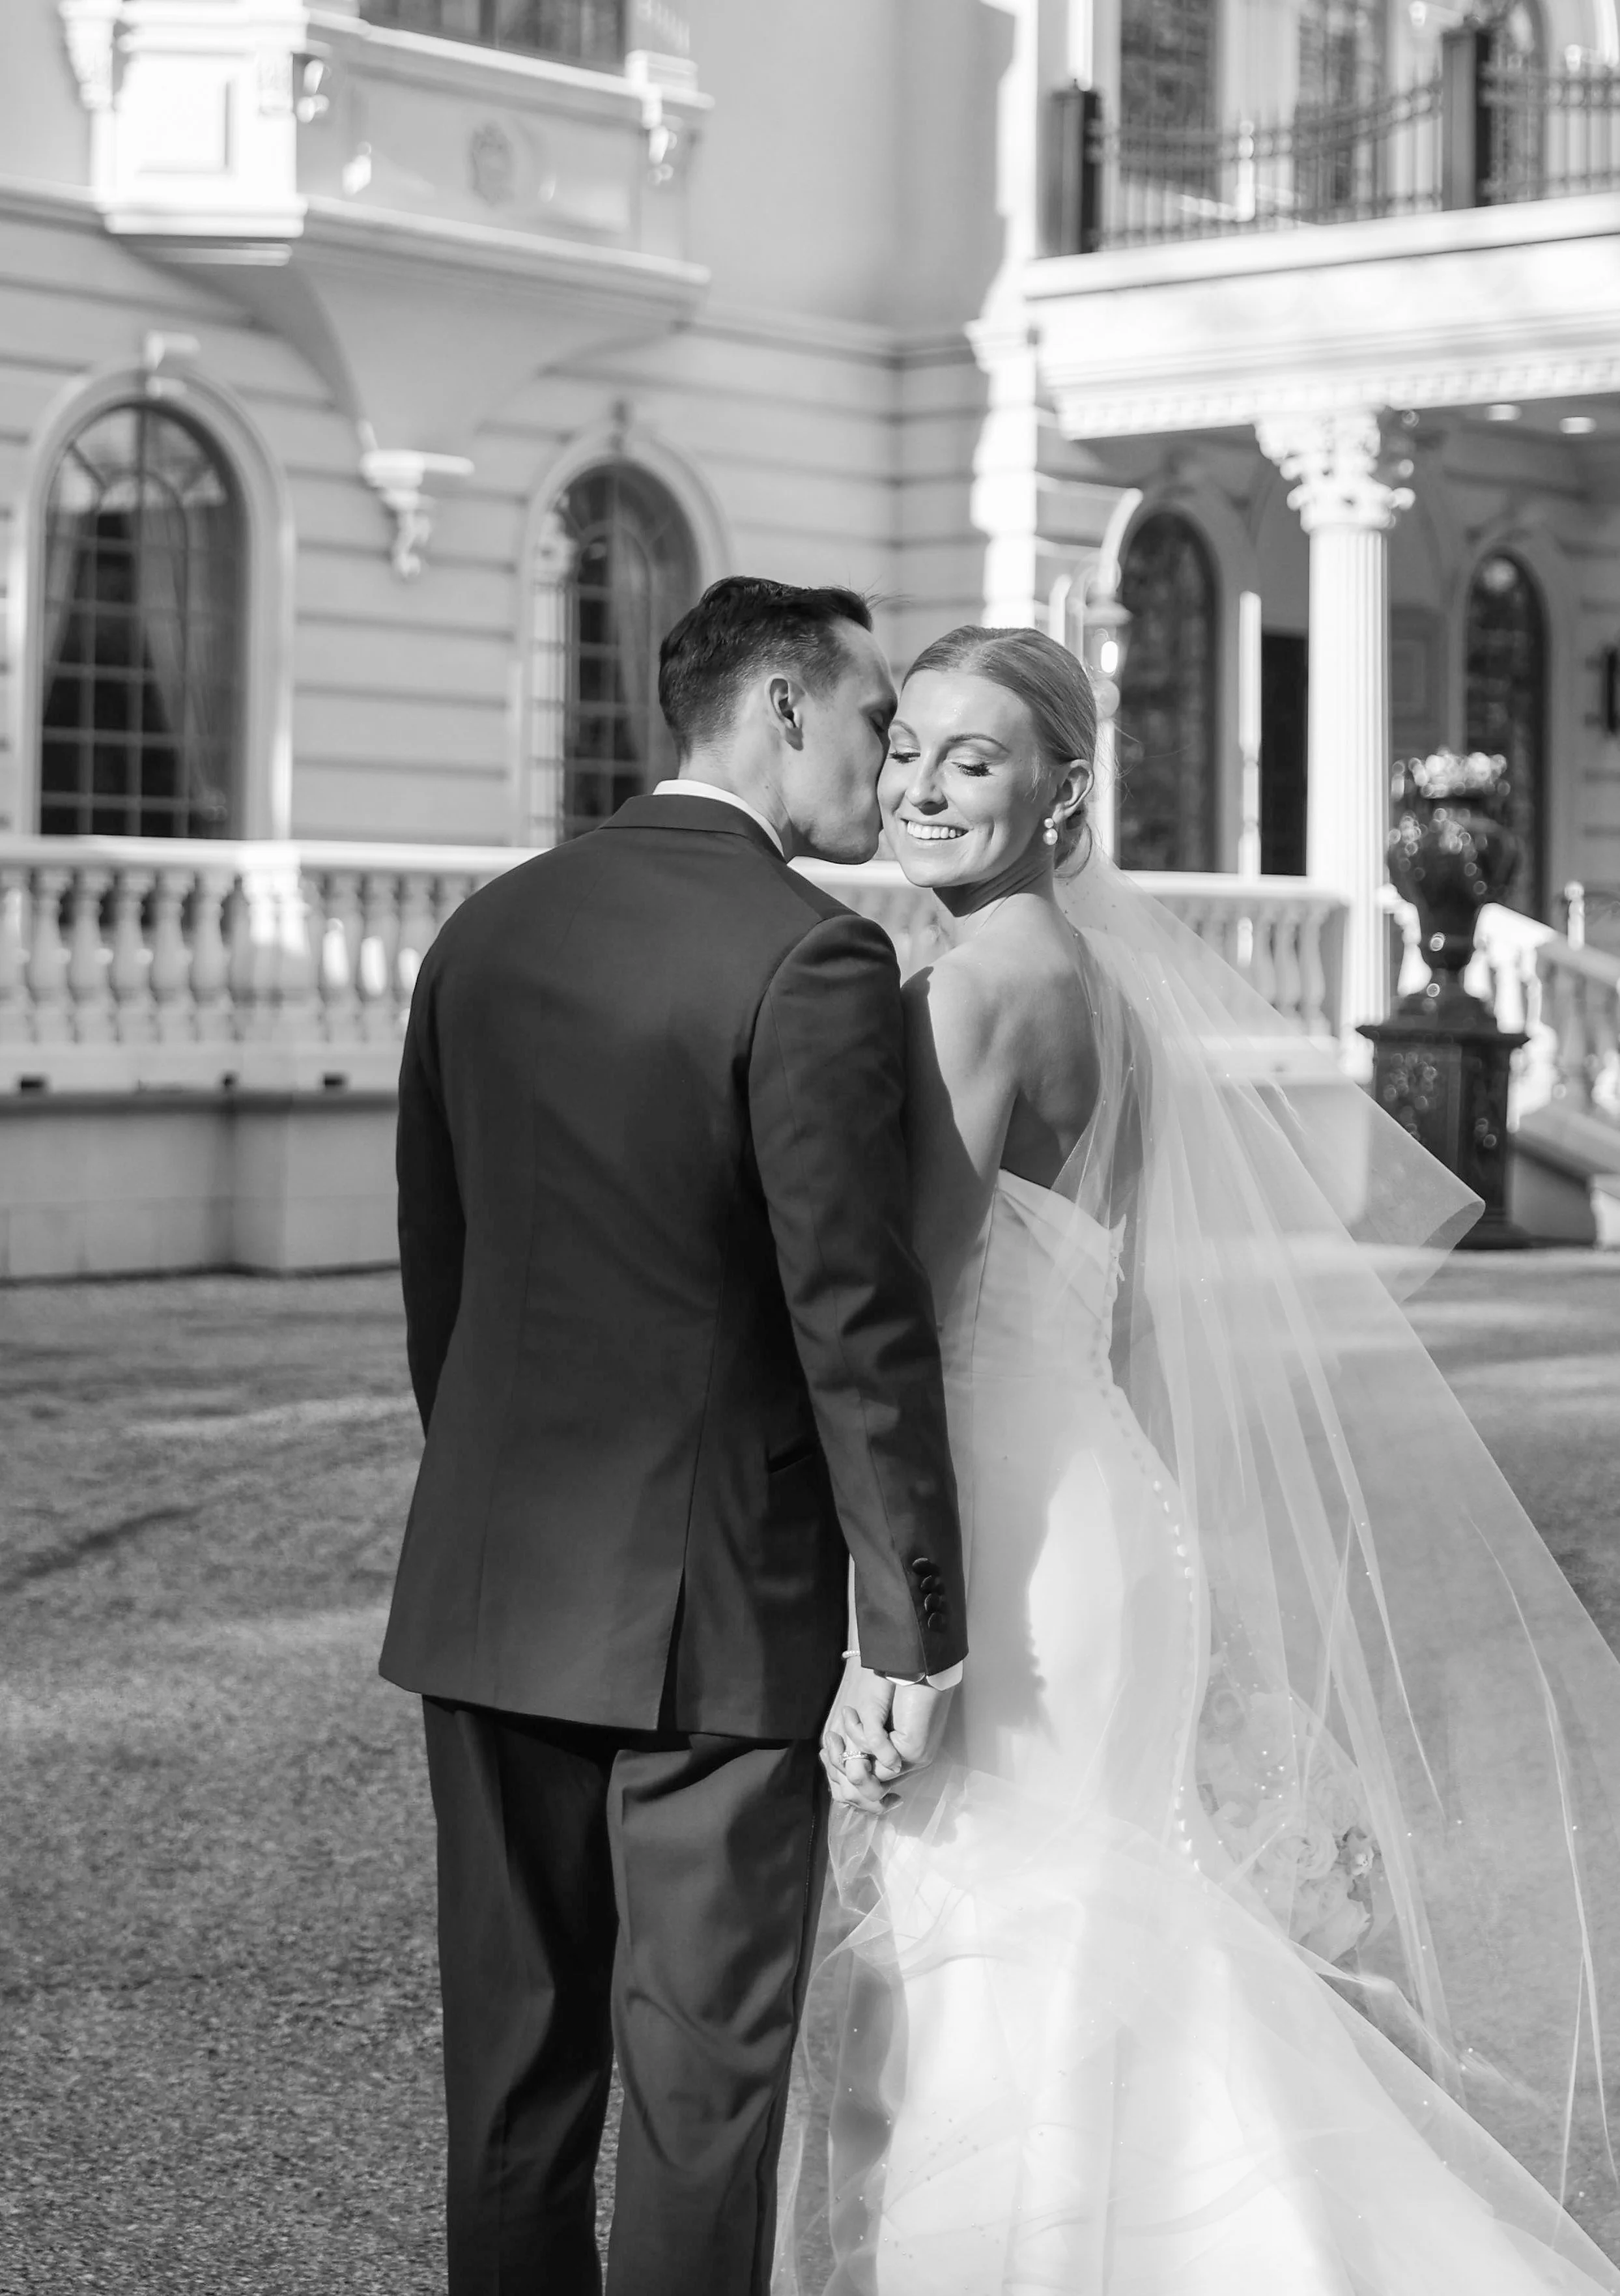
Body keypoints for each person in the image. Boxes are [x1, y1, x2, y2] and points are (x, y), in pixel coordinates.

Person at [777, 625, 1620, 2293]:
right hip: (1097, 1503)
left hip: (1005, 1525)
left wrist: (880, 1614)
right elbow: (1129, 1316)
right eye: (908, 750)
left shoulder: (971, 987)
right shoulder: (1097, 994)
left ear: (1060, 795)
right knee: (1099, 1926)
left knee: (1003, 1946)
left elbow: (901, 1322)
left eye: (973, 758)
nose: (922, 786)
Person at [380, 577, 968, 2296]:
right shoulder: (808, 952)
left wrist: (498, 1516)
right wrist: (907, 1617)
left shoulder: (486, 929)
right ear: (781, 703)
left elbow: (447, 1280)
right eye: (871, 716)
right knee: (701, 2095)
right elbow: (852, 1322)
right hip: (720, 1619)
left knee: (507, 2082)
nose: (885, 759)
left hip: (494, 1588)